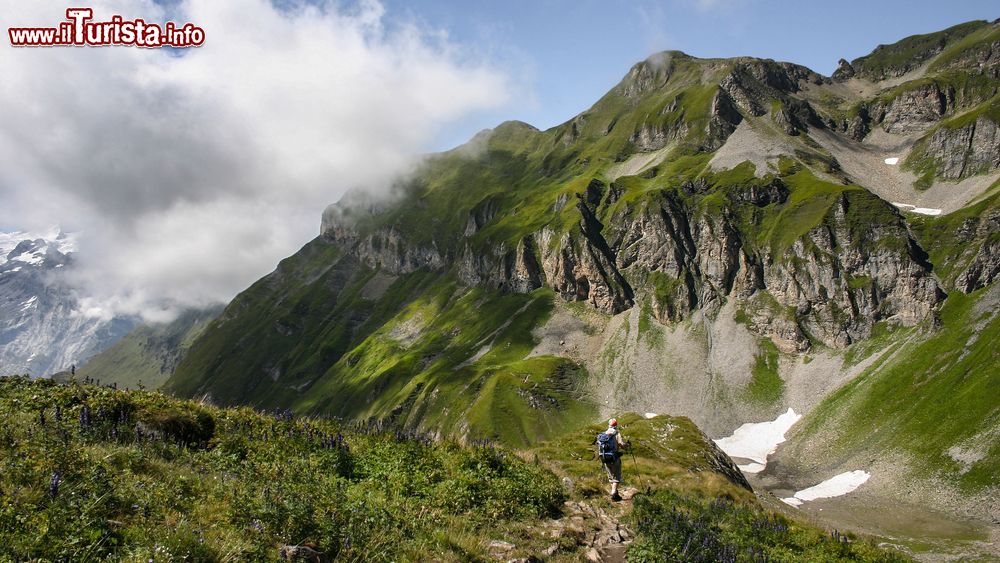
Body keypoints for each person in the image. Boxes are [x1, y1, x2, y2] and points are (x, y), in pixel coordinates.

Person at [598, 418, 627, 501]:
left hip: (604, 458)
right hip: (614, 458)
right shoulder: (616, 433)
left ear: (609, 425)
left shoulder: (604, 434)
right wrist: (627, 445)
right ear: (616, 425)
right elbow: (621, 444)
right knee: (617, 477)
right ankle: (613, 493)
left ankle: (616, 495)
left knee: (611, 477)